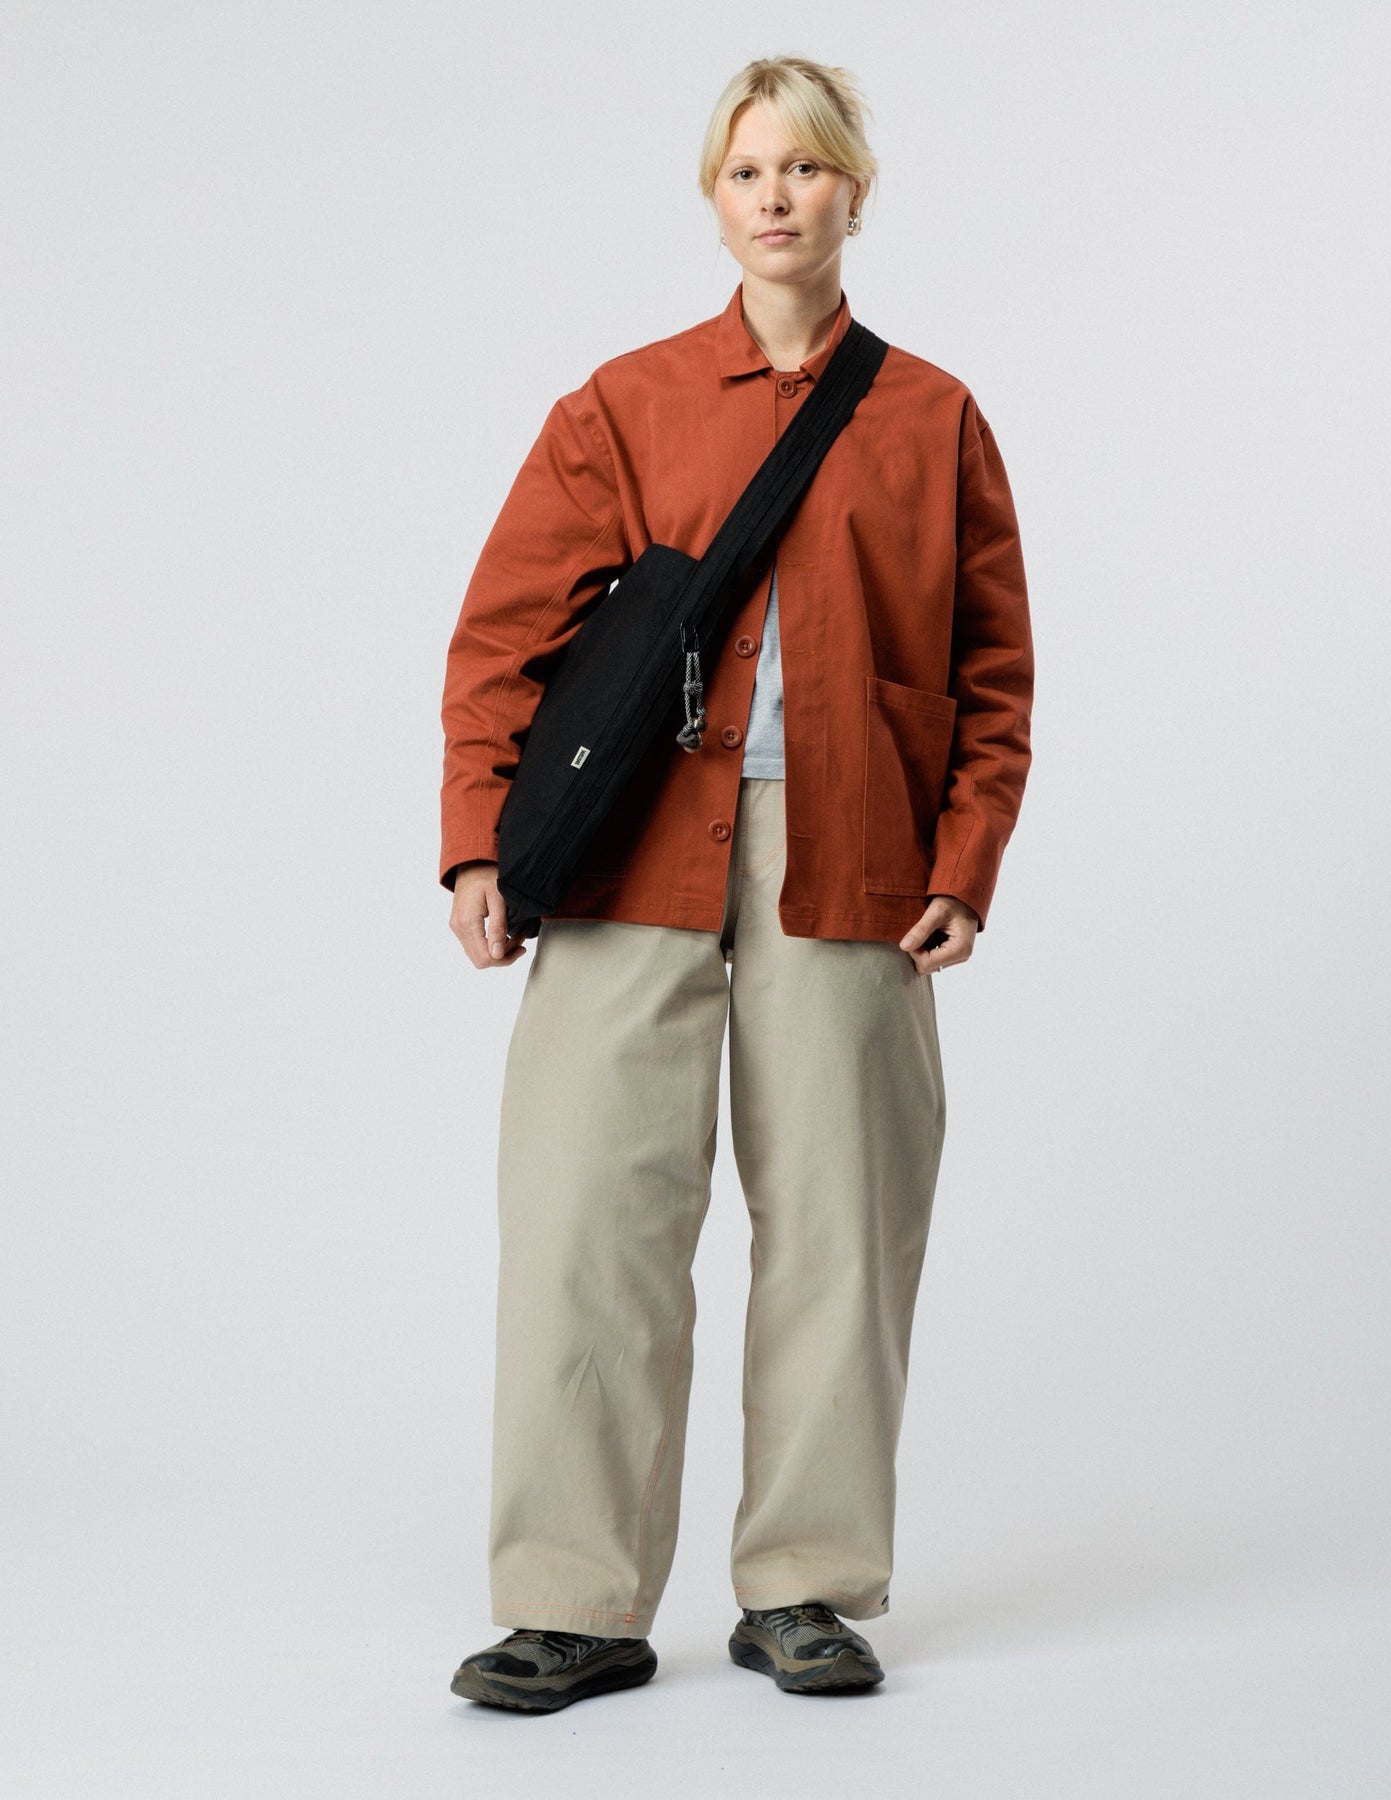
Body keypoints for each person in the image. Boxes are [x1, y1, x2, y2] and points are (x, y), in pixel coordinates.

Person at [438, 54, 1034, 1712]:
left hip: (851, 861)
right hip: (630, 853)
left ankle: (806, 1587)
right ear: (715, 199)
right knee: (585, 1220)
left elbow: (994, 672)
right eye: (748, 171)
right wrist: (479, 840)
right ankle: (574, 1602)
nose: (778, 196)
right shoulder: (624, 404)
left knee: (843, 1224)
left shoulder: (932, 417)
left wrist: (965, 861)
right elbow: (502, 638)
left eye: (806, 168)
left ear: (855, 191)